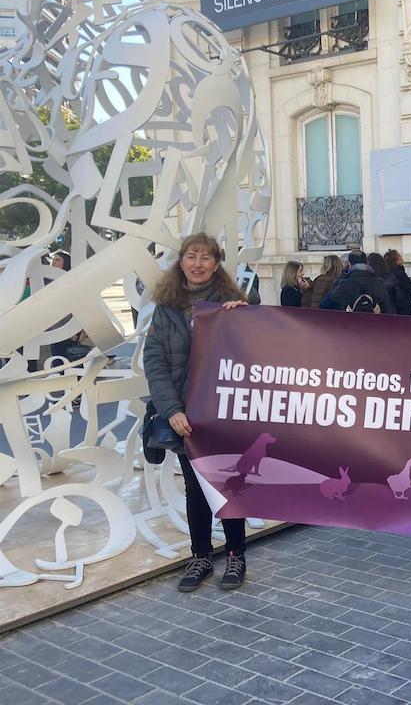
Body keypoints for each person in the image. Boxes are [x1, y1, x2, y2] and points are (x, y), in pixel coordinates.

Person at [143, 232, 249, 591]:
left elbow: (256, 354)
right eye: (192, 256)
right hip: (185, 414)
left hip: (223, 413)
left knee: (228, 485)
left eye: (206, 257)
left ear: (216, 263)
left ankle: (236, 555)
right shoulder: (166, 306)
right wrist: (171, 409)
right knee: (194, 488)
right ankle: (200, 557)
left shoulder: (232, 303)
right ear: (181, 261)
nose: (198, 263)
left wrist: (247, 319)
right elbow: (154, 361)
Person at [319, 250, 394, 313]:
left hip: (349, 327)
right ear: (367, 263)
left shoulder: (344, 283)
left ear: (349, 264)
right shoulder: (378, 283)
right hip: (373, 327)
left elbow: (324, 305)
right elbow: (388, 311)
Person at [383, 249, 411, 316]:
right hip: (406, 309)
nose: (401, 257)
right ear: (395, 260)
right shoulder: (399, 274)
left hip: (394, 309)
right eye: (399, 255)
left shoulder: (387, 273)